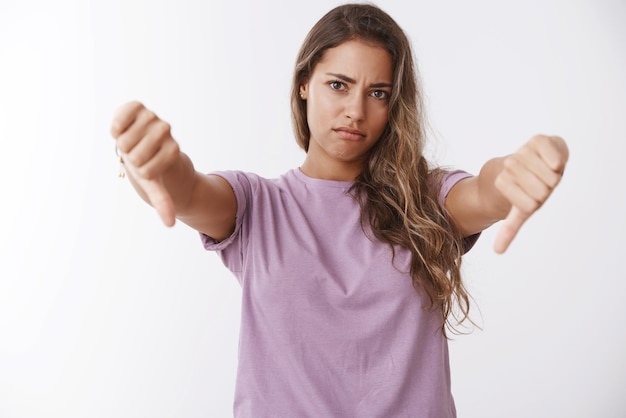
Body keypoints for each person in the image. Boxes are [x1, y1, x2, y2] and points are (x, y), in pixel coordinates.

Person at [110, 3, 568, 417]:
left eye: (378, 93)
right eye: (338, 85)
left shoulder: (424, 200)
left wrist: (521, 169)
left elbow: (485, 193)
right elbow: (187, 189)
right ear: (304, 84)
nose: (355, 110)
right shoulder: (257, 205)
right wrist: (149, 163)